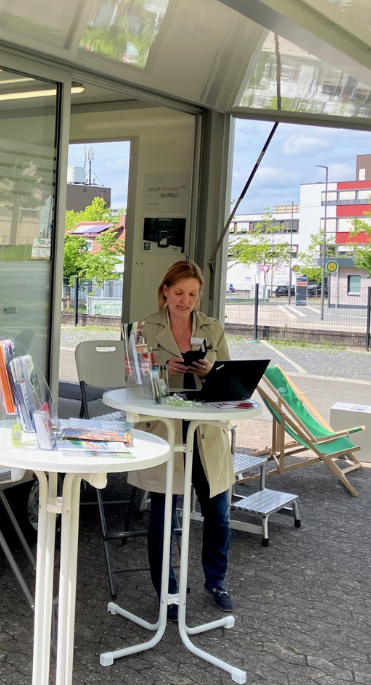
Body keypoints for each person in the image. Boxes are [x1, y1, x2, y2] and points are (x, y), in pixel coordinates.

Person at [128, 260, 236, 617]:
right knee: (163, 515)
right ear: (165, 291)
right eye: (178, 292)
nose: (185, 300)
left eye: (192, 293)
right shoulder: (144, 328)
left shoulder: (213, 328)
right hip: (165, 428)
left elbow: (229, 384)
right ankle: (167, 590)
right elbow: (133, 382)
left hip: (206, 430)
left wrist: (210, 372)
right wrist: (161, 370)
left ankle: (216, 581)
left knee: (218, 513)